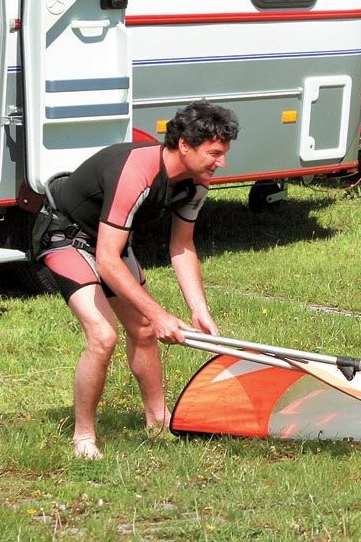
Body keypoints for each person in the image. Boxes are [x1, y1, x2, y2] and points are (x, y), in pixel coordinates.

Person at [35, 100, 239, 459]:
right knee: (103, 335)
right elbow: (107, 261)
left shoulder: (196, 183)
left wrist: (199, 310)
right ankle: (84, 437)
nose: (221, 163)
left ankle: (158, 421)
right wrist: (159, 313)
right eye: (214, 153)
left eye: (223, 153)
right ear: (184, 145)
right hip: (65, 237)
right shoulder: (136, 172)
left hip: (109, 243)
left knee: (143, 330)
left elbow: (182, 246)